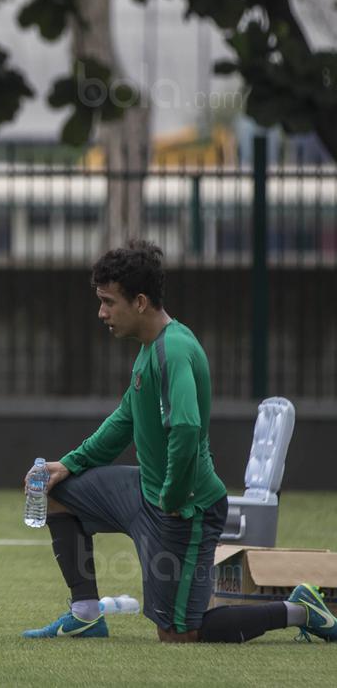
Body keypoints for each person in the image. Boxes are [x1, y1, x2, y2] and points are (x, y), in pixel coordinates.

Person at [22, 241, 336, 644]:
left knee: (179, 634)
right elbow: (125, 419)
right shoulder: (148, 350)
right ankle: (85, 615)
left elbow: (186, 429)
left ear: (139, 302)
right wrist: (67, 465)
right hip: (144, 493)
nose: (101, 313)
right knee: (56, 490)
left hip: (186, 509)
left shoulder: (174, 350)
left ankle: (300, 608)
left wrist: (172, 498)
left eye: (107, 302)